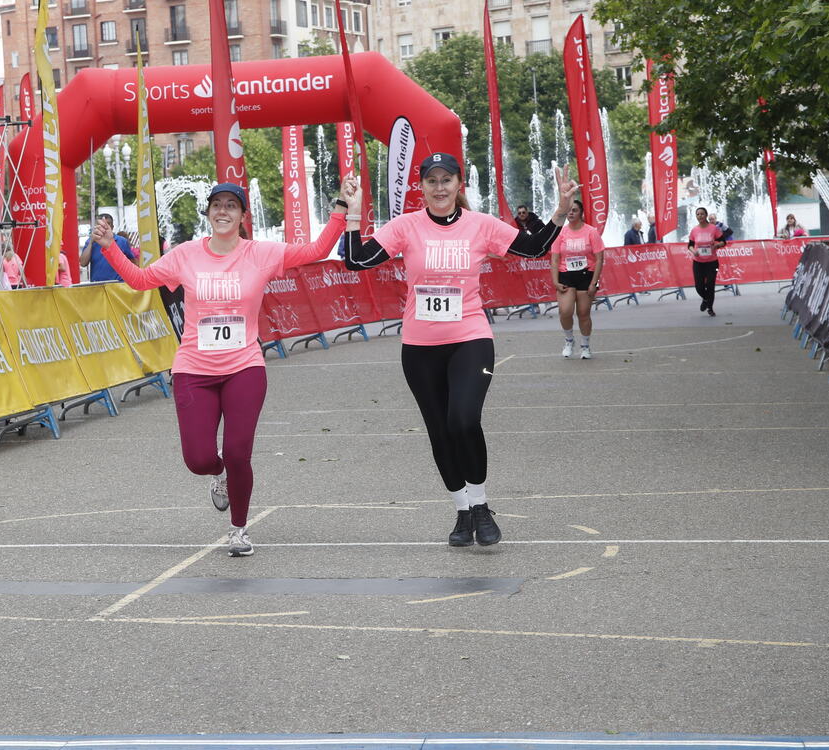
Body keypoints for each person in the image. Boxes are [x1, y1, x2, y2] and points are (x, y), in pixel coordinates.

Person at [92, 180, 359, 556]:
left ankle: (239, 529)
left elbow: (315, 250)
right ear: (208, 213)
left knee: (237, 452)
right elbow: (140, 280)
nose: (223, 211)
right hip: (193, 369)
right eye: (216, 204)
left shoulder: (260, 253)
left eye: (231, 205)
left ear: (243, 215)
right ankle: (218, 476)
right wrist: (109, 248)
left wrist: (341, 208)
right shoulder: (186, 255)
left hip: (243, 367)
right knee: (198, 459)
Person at [342, 153, 575, 548]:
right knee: (439, 431)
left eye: (446, 179)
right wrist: (352, 212)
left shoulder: (480, 225)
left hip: (470, 338)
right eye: (431, 180)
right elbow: (355, 260)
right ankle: (462, 510)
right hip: (420, 346)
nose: (439, 187)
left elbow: (534, 248)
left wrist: (561, 212)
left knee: (463, 420)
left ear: (458, 184)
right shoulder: (406, 226)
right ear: (421, 186)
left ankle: (481, 505)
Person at [551, 200, 606, 359]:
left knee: (583, 313)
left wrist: (594, 283)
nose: (570, 213)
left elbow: (599, 259)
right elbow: (554, 259)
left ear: (581, 213)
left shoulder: (591, 232)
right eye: (569, 210)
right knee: (565, 311)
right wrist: (555, 281)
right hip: (566, 275)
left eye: (574, 210)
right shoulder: (561, 233)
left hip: (586, 275)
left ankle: (585, 346)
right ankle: (569, 340)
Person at [688, 206, 726, 316]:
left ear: (706, 215)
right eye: (698, 214)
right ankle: (705, 299)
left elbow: (723, 241)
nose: (700, 216)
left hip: (712, 262)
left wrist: (717, 245)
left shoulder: (713, 228)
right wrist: (694, 251)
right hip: (698, 262)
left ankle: (710, 308)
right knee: (699, 286)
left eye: (702, 214)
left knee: (710, 285)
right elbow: (690, 245)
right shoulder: (694, 230)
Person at [81, 214, 138, 281]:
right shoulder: (90, 241)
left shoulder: (121, 241)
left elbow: (132, 261)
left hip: (117, 284)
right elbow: (83, 263)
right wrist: (91, 243)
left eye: (108, 224)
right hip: (97, 284)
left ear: (112, 227)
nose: (104, 227)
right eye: (101, 225)